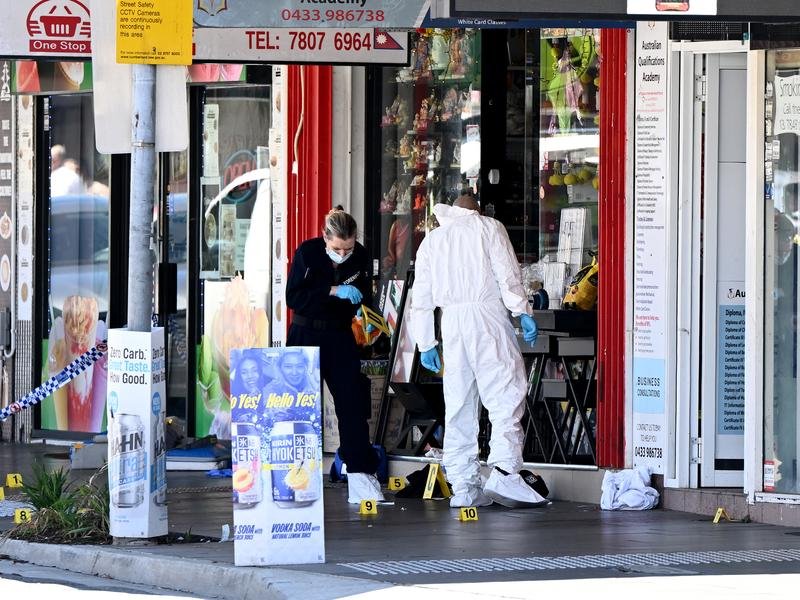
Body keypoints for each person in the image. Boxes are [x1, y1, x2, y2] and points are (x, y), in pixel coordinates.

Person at [410, 193, 541, 508]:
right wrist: (522, 310)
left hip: (451, 324)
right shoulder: (489, 227)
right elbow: (507, 274)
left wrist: (426, 342)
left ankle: (464, 488)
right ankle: (505, 472)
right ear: (478, 211)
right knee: (505, 392)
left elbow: (421, 298)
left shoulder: (432, 241)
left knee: (459, 405)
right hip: (487, 317)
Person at [286, 208, 383, 504]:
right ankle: (296, 475)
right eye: (337, 248)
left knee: (352, 404)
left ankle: (361, 475)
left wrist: (366, 314)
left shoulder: (360, 256)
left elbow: (364, 294)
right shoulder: (308, 253)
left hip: (340, 334)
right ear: (325, 237)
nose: (342, 254)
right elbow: (294, 297)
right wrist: (332, 290)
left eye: (347, 248)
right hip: (305, 333)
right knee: (301, 407)